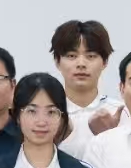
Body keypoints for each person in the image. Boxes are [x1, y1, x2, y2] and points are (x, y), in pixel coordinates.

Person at [51, 20, 125, 159]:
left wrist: (111, 137)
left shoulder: (121, 113)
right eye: (71, 56)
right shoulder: (45, 115)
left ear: (105, 62)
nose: (81, 64)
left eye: (91, 56)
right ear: (57, 61)